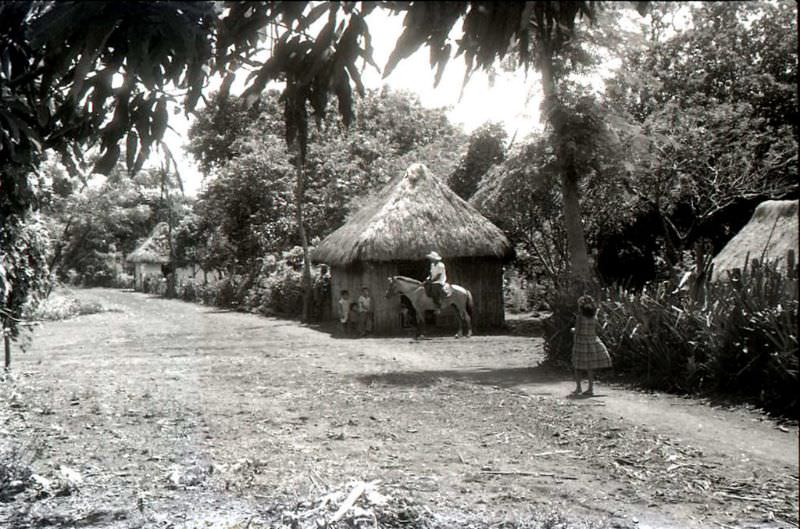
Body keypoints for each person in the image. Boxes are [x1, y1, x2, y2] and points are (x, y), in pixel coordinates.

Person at [571, 294, 612, 396]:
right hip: (592, 341)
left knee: (578, 366)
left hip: (581, 342)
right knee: (590, 367)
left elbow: (577, 331)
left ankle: (579, 388)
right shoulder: (594, 317)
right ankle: (590, 388)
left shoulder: (580, 317)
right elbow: (600, 329)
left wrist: (572, 330)